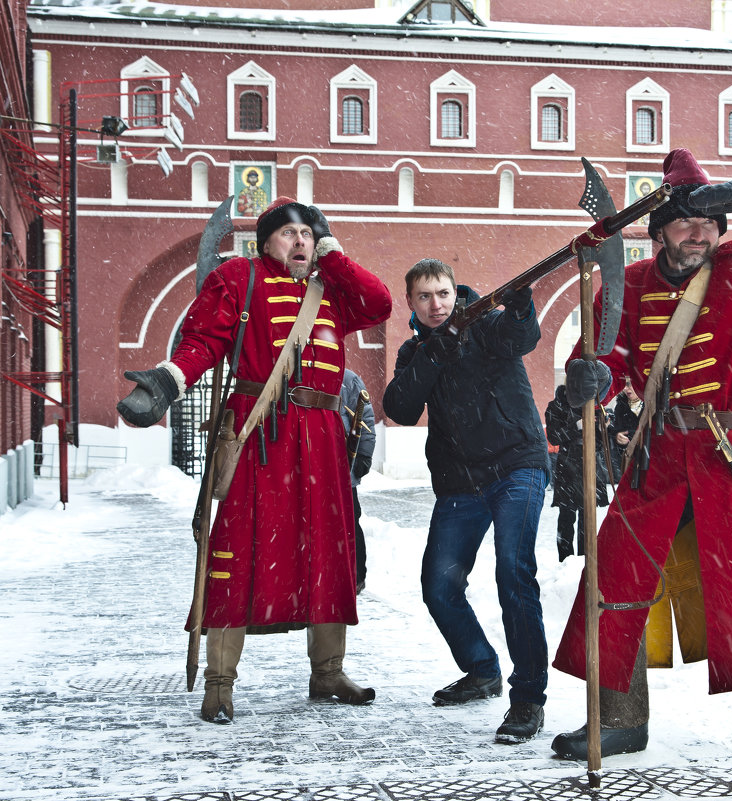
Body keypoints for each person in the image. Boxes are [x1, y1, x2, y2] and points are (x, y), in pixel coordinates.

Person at [550, 147, 732, 773]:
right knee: (615, 580)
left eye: (710, 222)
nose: (700, 232)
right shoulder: (626, 285)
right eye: (686, 221)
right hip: (658, 455)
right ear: (658, 231)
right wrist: (591, 381)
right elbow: (607, 358)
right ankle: (623, 720)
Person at [116, 197, 392, 723]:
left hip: (324, 438)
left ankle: (328, 671)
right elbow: (201, 340)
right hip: (260, 432)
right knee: (240, 548)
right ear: (265, 242)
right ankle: (220, 684)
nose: (301, 241)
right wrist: (167, 382)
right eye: (290, 233)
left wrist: (332, 252)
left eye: (309, 233)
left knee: (328, 552)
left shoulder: (331, 286)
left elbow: (378, 304)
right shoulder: (239, 279)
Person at [382, 258, 550, 744]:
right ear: (411, 303)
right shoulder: (416, 351)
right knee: (438, 587)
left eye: (443, 294)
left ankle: (528, 698)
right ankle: (482, 668)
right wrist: (435, 353)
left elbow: (521, 338)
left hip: (517, 465)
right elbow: (400, 407)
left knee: (513, 571)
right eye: (425, 297)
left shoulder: (488, 324)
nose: (436, 305)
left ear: (457, 293)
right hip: (461, 483)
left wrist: (521, 309)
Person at [545, 385, 610, 561]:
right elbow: (554, 437)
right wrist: (576, 426)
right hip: (567, 467)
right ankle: (565, 560)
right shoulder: (556, 405)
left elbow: (601, 442)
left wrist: (604, 426)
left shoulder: (593, 404)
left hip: (590, 464)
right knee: (566, 516)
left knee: (588, 517)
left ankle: (586, 559)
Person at [338, 368, 375, 593]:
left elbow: (365, 418)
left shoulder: (348, 379)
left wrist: (363, 455)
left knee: (350, 522)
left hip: (344, 468)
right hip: (315, 468)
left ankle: (356, 577)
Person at [609, 377, 642, 475]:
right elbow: (617, 429)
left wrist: (632, 436)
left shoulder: (651, 404)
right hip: (628, 459)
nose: (626, 389)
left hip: (648, 457)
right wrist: (617, 436)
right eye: (624, 385)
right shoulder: (621, 405)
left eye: (629, 384)